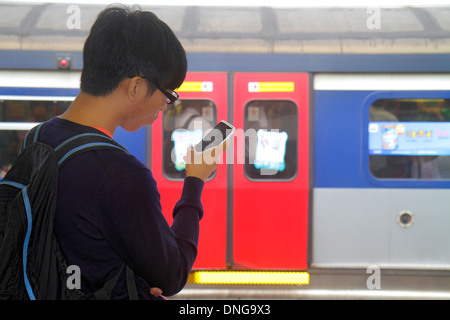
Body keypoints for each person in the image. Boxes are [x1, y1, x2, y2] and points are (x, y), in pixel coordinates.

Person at [35, 5, 218, 299]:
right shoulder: (122, 175)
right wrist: (194, 180)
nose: (166, 105)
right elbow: (172, 276)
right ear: (135, 86)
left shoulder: (39, 138)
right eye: (168, 94)